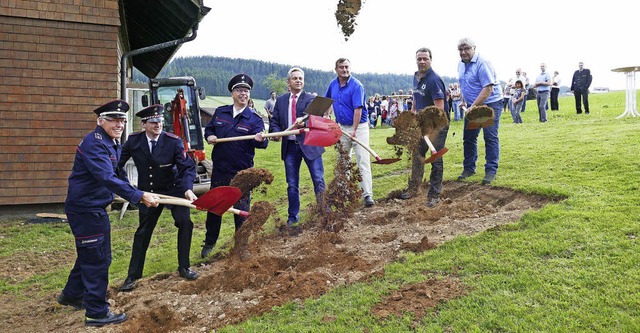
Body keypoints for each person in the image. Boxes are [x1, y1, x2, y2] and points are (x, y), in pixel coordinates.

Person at [59, 100, 158, 327]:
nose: (119, 124)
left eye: (122, 120)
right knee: (98, 259)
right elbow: (106, 177)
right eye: (114, 120)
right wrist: (139, 197)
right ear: (100, 121)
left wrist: (136, 192)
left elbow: (118, 174)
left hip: (93, 208)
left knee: (92, 253)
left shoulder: (110, 142)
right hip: (86, 209)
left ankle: (72, 294)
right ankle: (96, 312)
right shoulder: (94, 144)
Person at [118, 104, 199, 293]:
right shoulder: (133, 141)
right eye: (153, 122)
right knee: (143, 232)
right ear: (143, 124)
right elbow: (117, 164)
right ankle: (133, 275)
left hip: (174, 190)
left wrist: (187, 189)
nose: (158, 125)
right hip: (149, 193)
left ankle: (184, 267)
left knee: (185, 222)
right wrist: (128, 188)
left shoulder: (173, 141)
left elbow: (187, 168)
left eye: (160, 121)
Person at [200, 74, 268, 258]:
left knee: (241, 210)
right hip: (220, 169)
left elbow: (263, 144)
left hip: (242, 172)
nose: (243, 93)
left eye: (246, 91)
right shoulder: (221, 112)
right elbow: (210, 129)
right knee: (215, 208)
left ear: (249, 94)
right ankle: (209, 242)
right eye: (239, 90)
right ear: (232, 93)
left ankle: (242, 246)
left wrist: (260, 139)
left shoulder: (254, 119)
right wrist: (210, 136)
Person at [269, 67, 326, 225]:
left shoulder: (310, 99)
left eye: (300, 78)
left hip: (310, 145)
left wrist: (305, 120)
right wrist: (275, 133)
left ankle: (324, 212)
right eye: (295, 78)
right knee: (292, 184)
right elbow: (275, 121)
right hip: (290, 147)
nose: (298, 81)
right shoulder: (280, 100)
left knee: (318, 179)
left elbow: (315, 117)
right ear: (289, 81)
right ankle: (293, 217)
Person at [400, 47, 449, 208]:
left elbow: (439, 109)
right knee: (418, 153)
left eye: (425, 59)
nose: (422, 61)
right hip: (422, 124)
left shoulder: (434, 80)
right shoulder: (416, 77)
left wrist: (429, 129)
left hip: (437, 125)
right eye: (419, 59)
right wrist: (414, 116)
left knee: (436, 157)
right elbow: (416, 98)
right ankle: (414, 188)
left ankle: (435, 193)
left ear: (430, 60)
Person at [324, 57, 374, 207]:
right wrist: (327, 116)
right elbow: (328, 101)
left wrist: (354, 130)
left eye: (347, 67)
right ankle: (343, 192)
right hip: (342, 127)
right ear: (336, 69)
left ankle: (367, 195)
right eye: (341, 67)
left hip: (359, 127)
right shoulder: (333, 85)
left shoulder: (356, 86)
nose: (344, 70)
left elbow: (357, 109)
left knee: (362, 160)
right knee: (343, 160)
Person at [456, 37, 503, 185]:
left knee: (490, 137)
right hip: (472, 104)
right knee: (469, 137)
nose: (463, 52)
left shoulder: (483, 63)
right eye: (461, 50)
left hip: (490, 104)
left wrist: (473, 106)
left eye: (467, 49)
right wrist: (464, 100)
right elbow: (465, 83)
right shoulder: (461, 64)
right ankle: (469, 168)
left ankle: (490, 171)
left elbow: (488, 88)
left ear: (474, 48)